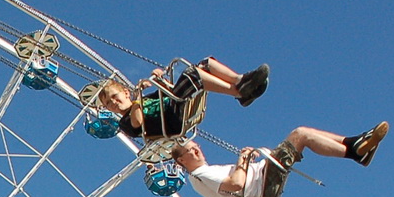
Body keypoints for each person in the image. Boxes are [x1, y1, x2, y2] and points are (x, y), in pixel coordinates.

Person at [170, 122, 388, 197]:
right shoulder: (201, 174)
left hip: (263, 179)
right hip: (264, 182)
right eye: (191, 149)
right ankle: (353, 151)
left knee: (303, 134)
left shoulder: (202, 175)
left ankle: (353, 144)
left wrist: (246, 163)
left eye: (196, 145)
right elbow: (236, 184)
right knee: (300, 135)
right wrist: (243, 160)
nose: (197, 149)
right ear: (181, 160)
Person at [94, 59, 271, 140]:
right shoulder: (124, 122)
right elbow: (137, 122)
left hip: (176, 106)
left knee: (205, 64)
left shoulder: (146, 98)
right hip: (171, 121)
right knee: (192, 74)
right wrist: (138, 99)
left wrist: (160, 79)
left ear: (126, 93)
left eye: (114, 97)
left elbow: (171, 91)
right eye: (109, 104)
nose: (113, 103)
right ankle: (239, 93)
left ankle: (239, 81)